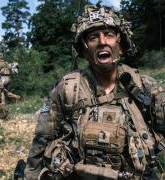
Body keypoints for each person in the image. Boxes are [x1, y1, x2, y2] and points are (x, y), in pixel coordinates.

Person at [25, 4, 165, 180]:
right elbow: (41, 140)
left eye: (109, 35)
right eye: (93, 37)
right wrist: (30, 175)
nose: (102, 42)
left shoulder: (146, 87)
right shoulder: (66, 89)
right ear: (83, 51)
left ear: (120, 46)